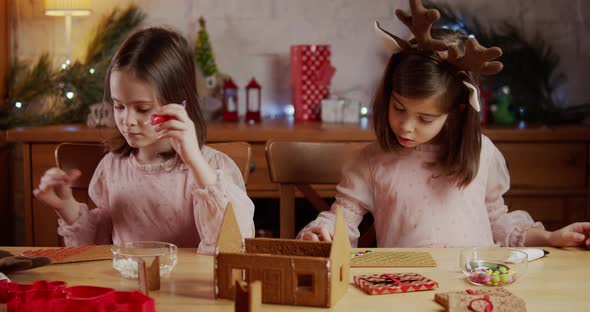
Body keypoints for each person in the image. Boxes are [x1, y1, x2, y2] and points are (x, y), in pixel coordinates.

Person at [299, 0, 590, 248]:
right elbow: (342, 219)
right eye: (399, 108)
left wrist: (550, 237)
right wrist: (320, 234)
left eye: (425, 118)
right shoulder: (371, 162)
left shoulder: (482, 153)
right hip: (409, 289)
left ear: (457, 111)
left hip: (475, 286)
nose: (407, 126)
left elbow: (498, 221)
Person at [33, 27, 255, 254]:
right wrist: (66, 206)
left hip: (190, 287)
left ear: (180, 106)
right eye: (119, 106)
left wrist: (195, 162)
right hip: (128, 287)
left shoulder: (214, 168)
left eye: (142, 109)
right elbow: (99, 247)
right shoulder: (111, 168)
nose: (127, 120)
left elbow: (235, 242)